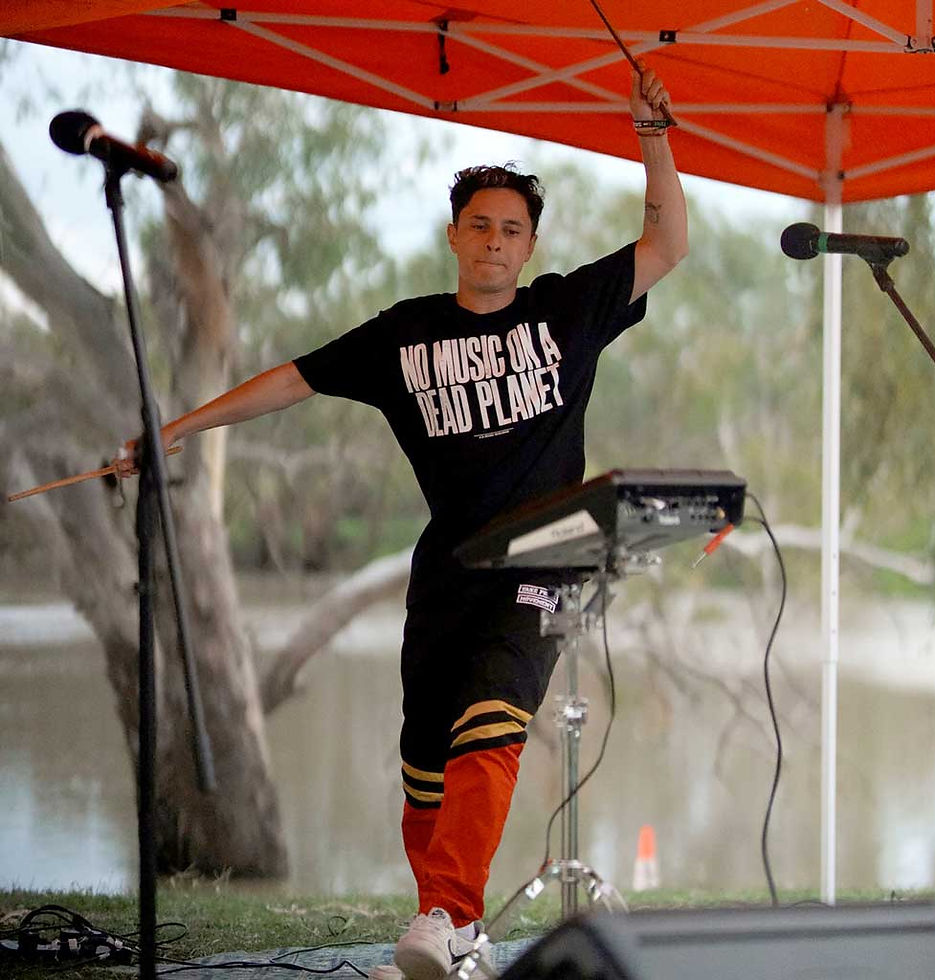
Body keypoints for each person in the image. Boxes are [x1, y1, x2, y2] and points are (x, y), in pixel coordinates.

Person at [122, 65, 687, 980]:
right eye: (480, 226)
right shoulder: (404, 333)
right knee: (426, 766)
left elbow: (667, 242)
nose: (495, 241)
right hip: (449, 569)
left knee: (493, 722)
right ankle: (449, 932)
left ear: (531, 244)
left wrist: (652, 140)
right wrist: (178, 427)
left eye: (512, 230)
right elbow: (293, 379)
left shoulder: (567, 311)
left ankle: (449, 914)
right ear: (454, 235)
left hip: (546, 562)